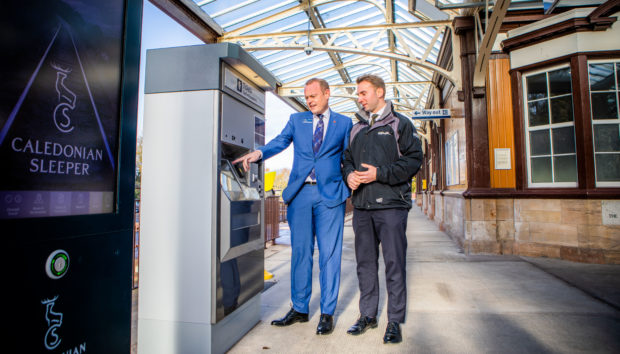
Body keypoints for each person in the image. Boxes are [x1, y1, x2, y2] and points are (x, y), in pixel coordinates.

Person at [233, 78, 352, 335]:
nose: (309, 100)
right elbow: (280, 141)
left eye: (314, 96)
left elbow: (348, 157)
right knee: (300, 253)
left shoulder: (343, 123)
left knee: (330, 255)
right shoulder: (297, 120)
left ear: (327, 94)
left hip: (330, 195)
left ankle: (328, 313)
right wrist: (259, 153)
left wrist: (348, 184)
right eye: (306, 96)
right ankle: (299, 308)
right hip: (300, 195)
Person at [342, 74, 422, 344]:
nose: (359, 98)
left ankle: (394, 321)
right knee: (365, 264)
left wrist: (381, 174)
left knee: (394, 264)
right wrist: (349, 175)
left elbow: (414, 161)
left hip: (392, 207)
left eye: (363, 93)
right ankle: (367, 315)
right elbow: (346, 160)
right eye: (358, 94)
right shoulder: (356, 129)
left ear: (380, 92)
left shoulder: (401, 124)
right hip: (362, 207)